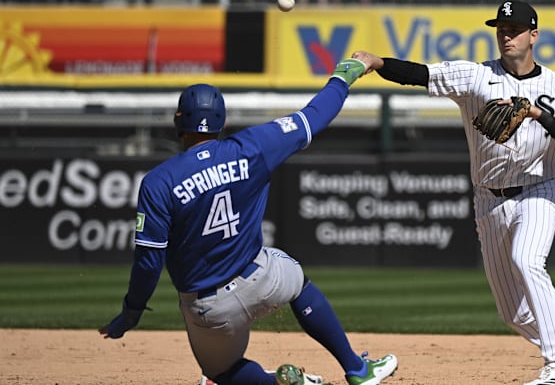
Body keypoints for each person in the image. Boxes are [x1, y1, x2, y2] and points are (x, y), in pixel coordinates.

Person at [99, 56, 398, 385]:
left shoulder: (159, 182)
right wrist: (345, 75)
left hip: (208, 307)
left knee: (220, 373)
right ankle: (356, 369)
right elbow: (315, 116)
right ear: (221, 120)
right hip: (261, 279)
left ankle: (284, 384)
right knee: (296, 280)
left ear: (178, 121)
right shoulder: (254, 146)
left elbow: (149, 261)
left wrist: (132, 311)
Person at [352, 0, 555, 385]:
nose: (506, 34)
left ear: (534, 35)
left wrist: (538, 115)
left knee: (527, 260)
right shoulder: (476, 76)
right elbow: (420, 74)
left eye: (514, 28)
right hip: (489, 200)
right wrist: (378, 62)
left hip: (538, 190)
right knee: (512, 314)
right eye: (501, 28)